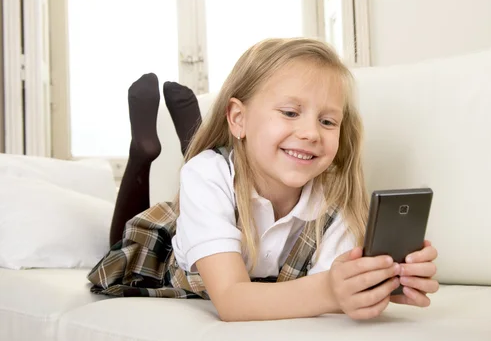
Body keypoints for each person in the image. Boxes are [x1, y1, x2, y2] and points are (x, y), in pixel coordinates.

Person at [89, 37, 439, 322]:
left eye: (328, 122)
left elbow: (331, 285)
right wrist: (330, 292)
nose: (311, 133)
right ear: (238, 119)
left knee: (209, 169)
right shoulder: (207, 176)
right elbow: (232, 300)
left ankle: (192, 140)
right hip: (166, 248)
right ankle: (143, 152)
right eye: (290, 112)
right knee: (125, 235)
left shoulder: (334, 199)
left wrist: (376, 284)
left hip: (223, 188)